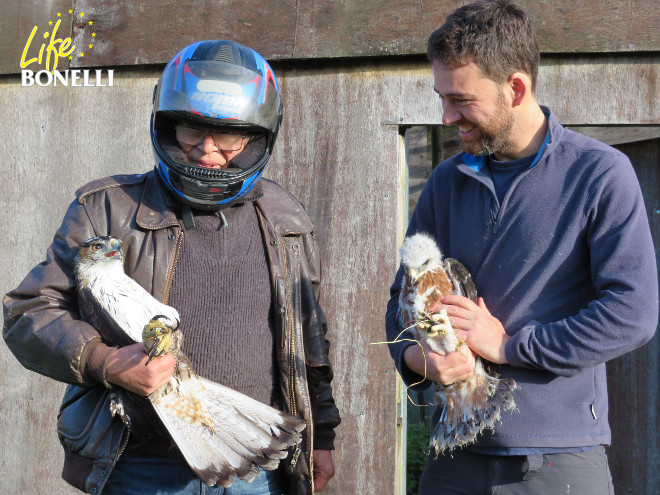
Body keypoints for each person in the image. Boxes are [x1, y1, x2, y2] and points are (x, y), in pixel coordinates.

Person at [3, 40, 340, 495]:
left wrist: (323, 435)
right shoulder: (106, 209)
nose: (206, 151)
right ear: (164, 126)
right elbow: (29, 312)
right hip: (141, 465)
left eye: (229, 136)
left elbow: (308, 336)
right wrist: (106, 363)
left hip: (257, 465)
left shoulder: (286, 219)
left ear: (259, 137)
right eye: (188, 129)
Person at [385, 1, 658, 493]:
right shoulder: (446, 182)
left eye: (461, 100)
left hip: (559, 459)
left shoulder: (599, 175)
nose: (447, 117)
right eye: (441, 98)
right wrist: (418, 360)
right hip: (454, 458)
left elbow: (632, 312)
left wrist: (509, 346)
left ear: (515, 88)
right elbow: (399, 306)